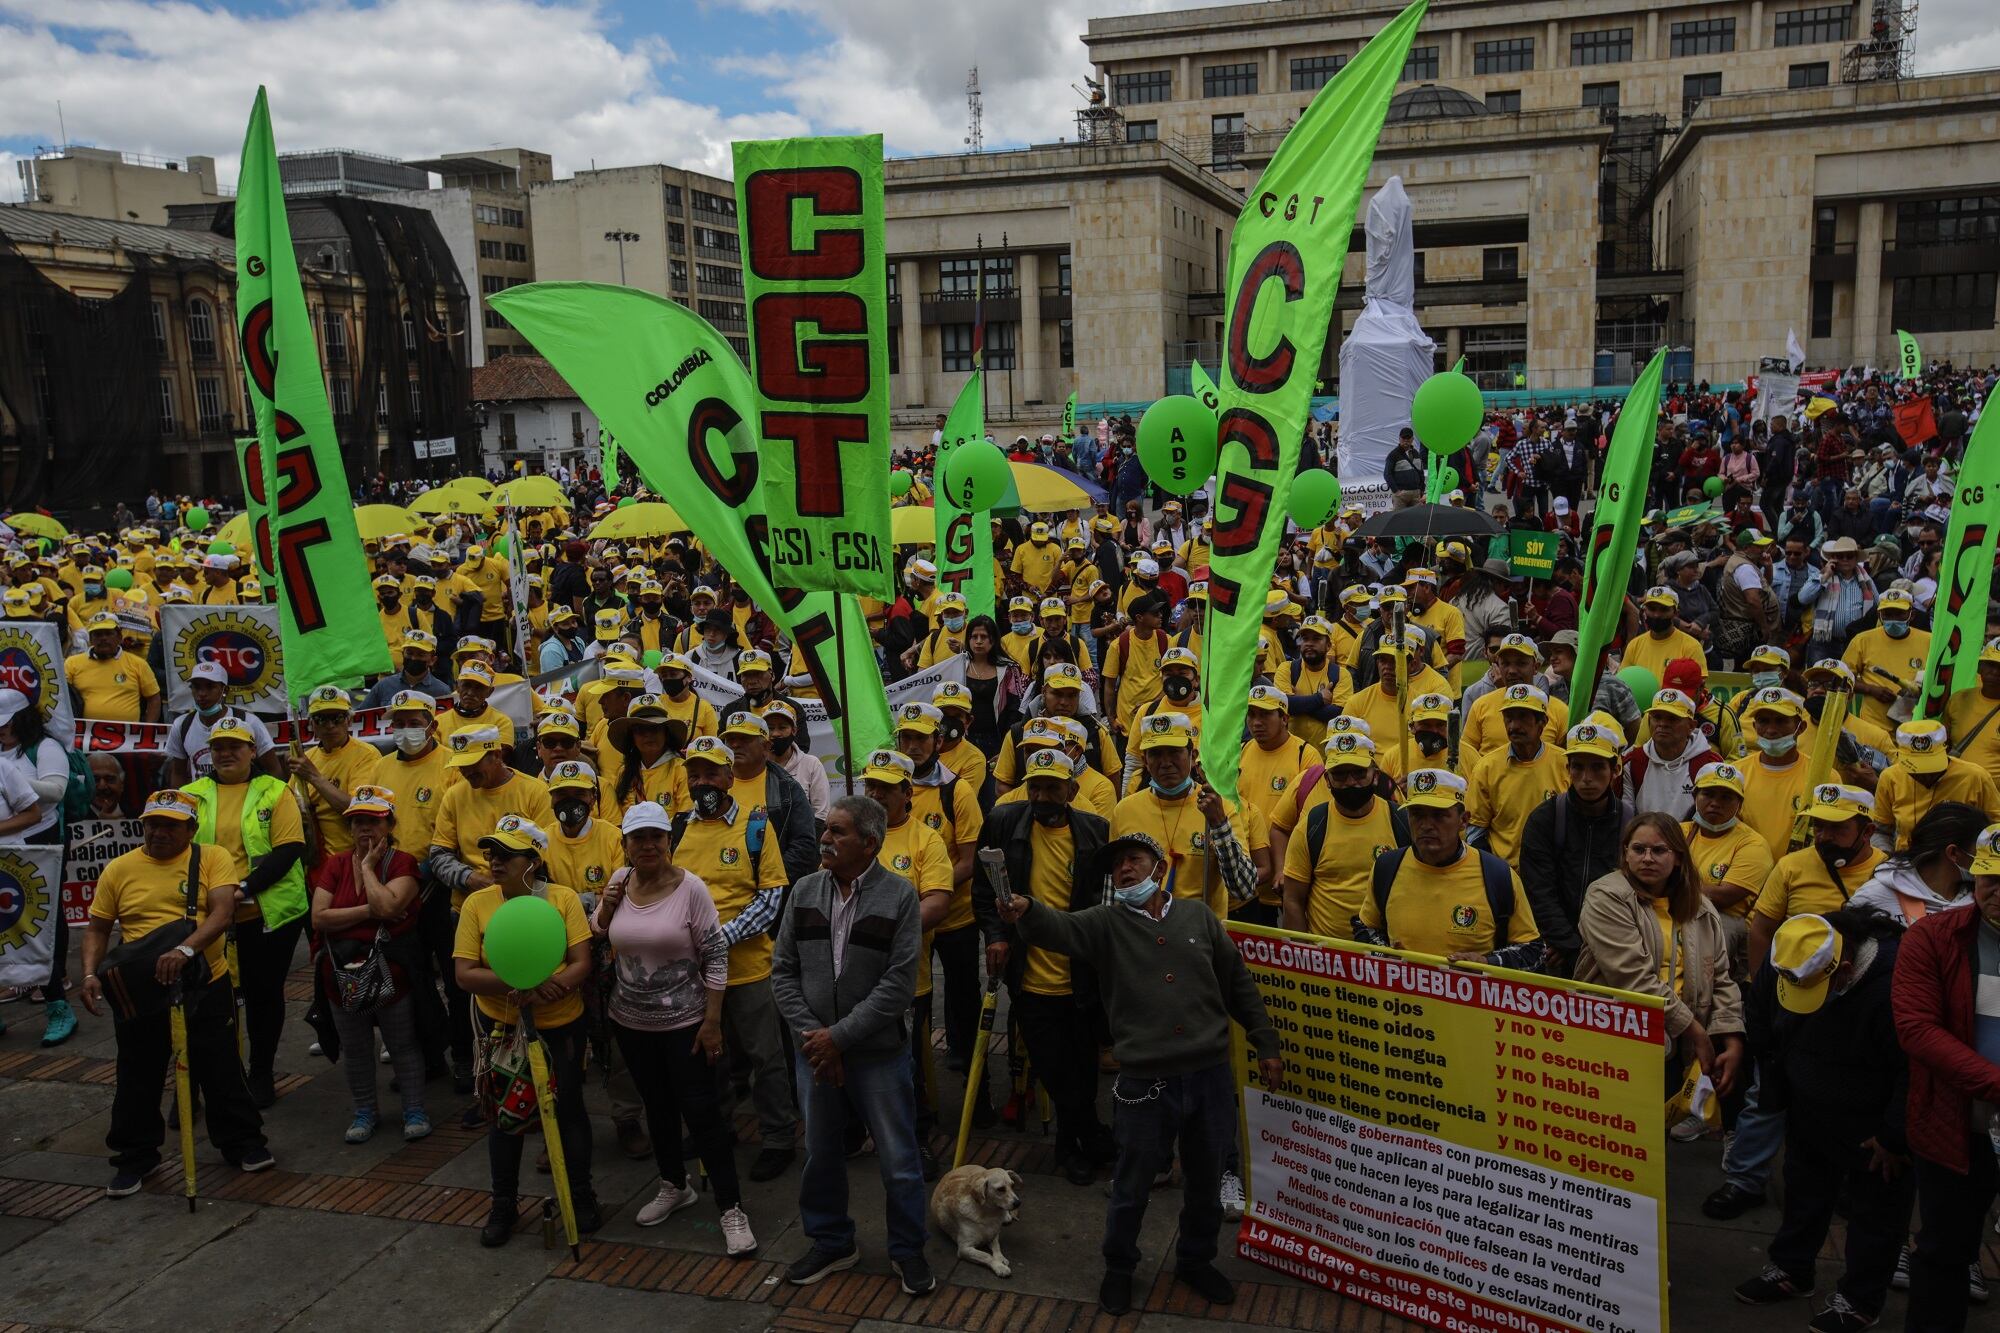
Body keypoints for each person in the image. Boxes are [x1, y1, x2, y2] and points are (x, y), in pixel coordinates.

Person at [994, 829, 1282, 1316]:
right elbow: (1056, 929)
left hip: (1209, 1075)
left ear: (1160, 868)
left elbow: (1237, 984)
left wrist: (1265, 1043)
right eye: (1117, 866)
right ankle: (1120, 1267)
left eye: (1134, 860)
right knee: (1132, 1184)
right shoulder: (1105, 924)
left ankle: (1195, 1259)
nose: (1124, 870)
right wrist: (1026, 910)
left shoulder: (1198, 916)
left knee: (1207, 1179)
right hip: (1144, 1082)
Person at [771, 795, 933, 1296]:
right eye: (826, 829)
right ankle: (831, 1240)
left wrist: (837, 1038)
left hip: (878, 1056)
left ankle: (907, 1250)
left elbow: (897, 986)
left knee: (899, 1161)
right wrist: (816, 1040)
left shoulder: (900, 896)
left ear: (870, 843)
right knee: (820, 1154)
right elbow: (783, 972)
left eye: (838, 832)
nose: (826, 839)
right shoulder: (803, 891)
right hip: (813, 1054)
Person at [80, 790, 274, 1194]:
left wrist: (187, 949)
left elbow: (222, 911)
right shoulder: (119, 869)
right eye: (153, 823)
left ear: (190, 829)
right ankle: (135, 1157)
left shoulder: (212, 857)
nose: (159, 832)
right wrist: (89, 974)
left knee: (219, 1066)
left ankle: (242, 1142)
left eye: (170, 825)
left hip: (205, 983)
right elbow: (98, 928)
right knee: (137, 1074)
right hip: (141, 991)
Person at [1733, 910, 1912, 1333]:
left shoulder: (1893, 985)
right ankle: (1791, 1269)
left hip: (1872, 1125)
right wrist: (1774, 1080)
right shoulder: (1791, 952)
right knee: (1803, 1191)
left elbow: (1914, 1069)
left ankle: (1860, 1300)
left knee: (1875, 1215)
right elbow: (1761, 1012)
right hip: (1810, 1105)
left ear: (1845, 969)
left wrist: (1894, 1136)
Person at [592, 801, 757, 1255]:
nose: (647, 846)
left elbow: (717, 954)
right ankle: (673, 1185)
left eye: (656, 837)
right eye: (637, 838)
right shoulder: (620, 882)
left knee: (702, 1113)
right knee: (657, 1107)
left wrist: (712, 1021)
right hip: (630, 1020)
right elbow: (601, 932)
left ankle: (731, 1209)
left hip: (686, 1023)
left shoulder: (692, 890)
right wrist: (605, 910)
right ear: (625, 844)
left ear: (669, 841)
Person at [452, 814, 599, 1245]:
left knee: (569, 1108)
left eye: (507, 855)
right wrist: (517, 982)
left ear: (532, 861)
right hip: (502, 1028)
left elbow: (581, 962)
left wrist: (550, 987)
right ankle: (504, 1202)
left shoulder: (563, 899)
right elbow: (464, 973)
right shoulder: (477, 904)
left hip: (561, 1024)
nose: (495, 862)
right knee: (503, 1116)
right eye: (491, 853)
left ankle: (580, 1194)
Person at [973, 745, 1113, 1186]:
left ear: (1072, 789)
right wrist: (997, 936)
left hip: (1081, 978)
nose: (1042, 797)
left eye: (1053, 788)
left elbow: (1102, 906)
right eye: (1035, 787)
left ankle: (1073, 1147)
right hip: (1030, 980)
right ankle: (1089, 1141)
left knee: (1085, 1070)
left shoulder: (1095, 833)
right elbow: (985, 893)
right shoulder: (1001, 824)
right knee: (1054, 1069)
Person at [1890, 822, 2000, 1331]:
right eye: (1990, 879)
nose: (1998, 893)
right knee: (1943, 1250)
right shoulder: (1933, 938)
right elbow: (1917, 1029)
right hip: (1956, 1127)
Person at [675, 735, 796, 1181]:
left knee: (765, 1057)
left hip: (747, 969)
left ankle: (779, 1137)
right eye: (695, 775)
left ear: (729, 776)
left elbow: (770, 898)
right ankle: (718, 1129)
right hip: (694, 975)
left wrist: (719, 940)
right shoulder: (677, 829)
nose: (702, 782)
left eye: (711, 773)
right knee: (710, 1057)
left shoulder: (756, 826)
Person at [181, 717, 309, 1109]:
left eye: (235, 746)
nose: (225, 753)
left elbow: (289, 849)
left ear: (252, 751)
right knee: (203, 1002)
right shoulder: (190, 794)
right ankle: (198, 1081)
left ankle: (261, 1071)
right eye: (218, 746)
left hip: (265, 914)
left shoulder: (275, 790)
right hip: (208, 918)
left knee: (262, 996)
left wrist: (244, 889)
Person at [1574, 813, 1745, 1100]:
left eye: (1659, 850)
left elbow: (1721, 978)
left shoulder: (1701, 908)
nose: (1648, 858)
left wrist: (1731, 1035)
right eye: (1638, 849)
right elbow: (1633, 978)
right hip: (1617, 1041)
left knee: (1658, 1137)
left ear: (1678, 857)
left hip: (1678, 1048)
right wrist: (1697, 1032)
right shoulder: (1607, 896)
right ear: (1625, 854)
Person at [309, 786, 429, 1143]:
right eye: (357, 822)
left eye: (373, 822)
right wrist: (369, 911)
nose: (365, 829)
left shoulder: (402, 862)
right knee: (356, 1048)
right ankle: (364, 1112)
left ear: (389, 825)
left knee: (402, 1043)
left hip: (391, 972)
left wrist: (367, 868)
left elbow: (392, 908)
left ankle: (414, 1109)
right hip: (341, 975)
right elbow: (319, 918)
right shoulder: (334, 865)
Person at [1356, 768, 1544, 969]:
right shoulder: (1387, 868)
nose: (1426, 825)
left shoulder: (1497, 875)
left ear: (1463, 820)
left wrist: (1486, 962)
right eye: (1417, 814)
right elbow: (1365, 928)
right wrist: (1384, 955)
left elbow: (1531, 950)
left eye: (1439, 815)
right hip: (1401, 999)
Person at [1519, 721, 1632, 978]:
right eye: (1578, 767)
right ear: (1567, 768)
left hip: (1612, 950)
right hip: (1555, 949)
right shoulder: (1544, 819)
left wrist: (1596, 950)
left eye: (1597, 767)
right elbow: (1538, 890)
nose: (1587, 778)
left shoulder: (1630, 824)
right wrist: (1570, 945)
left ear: (1615, 769)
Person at [0, 687, 77, 1044]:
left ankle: (56, 1000)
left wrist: (11, 781)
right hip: (7, 850)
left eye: (6, 724)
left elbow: (53, 793)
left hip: (41, 843)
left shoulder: (44, 748)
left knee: (40, 922)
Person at [1282, 732, 1405, 940]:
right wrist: (1302, 958)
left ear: (1375, 776)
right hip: (1327, 961)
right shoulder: (1311, 827)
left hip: (1388, 960)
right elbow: (1293, 899)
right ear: (1327, 780)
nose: (1350, 782)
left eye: (1358, 773)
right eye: (1340, 774)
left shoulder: (1401, 821)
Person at [1466, 683, 1570, 862]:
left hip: (1554, 874)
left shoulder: (1565, 763)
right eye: (1508, 718)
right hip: (1506, 874)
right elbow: (1475, 833)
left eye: (1523, 717)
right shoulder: (1486, 768)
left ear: (1542, 723)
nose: (1514, 726)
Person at [1873, 720, 2000, 852]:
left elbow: (1997, 826)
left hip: (1961, 861)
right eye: (1916, 771)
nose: (1925, 776)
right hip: (1906, 861)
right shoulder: (1889, 777)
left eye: (1931, 767)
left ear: (1947, 748)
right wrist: (1888, 859)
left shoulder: (1976, 777)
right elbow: (1881, 831)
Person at [292, 686, 380, 861]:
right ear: (311, 724)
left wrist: (314, 777)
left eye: (337, 718)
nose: (330, 725)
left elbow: (358, 810)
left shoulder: (367, 755)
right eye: (321, 719)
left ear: (349, 721)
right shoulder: (306, 758)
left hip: (355, 857)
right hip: (315, 857)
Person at [164, 661, 282, 785]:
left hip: (243, 799)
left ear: (225, 690)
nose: (202, 694)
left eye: (210, 687)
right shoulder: (182, 725)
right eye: (197, 687)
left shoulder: (249, 722)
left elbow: (273, 768)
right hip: (201, 800)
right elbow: (178, 773)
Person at [66, 611, 162, 722]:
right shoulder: (72, 663)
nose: (103, 638)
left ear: (119, 636)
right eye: (98, 634)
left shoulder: (138, 664)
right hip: (84, 736)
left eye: (108, 633)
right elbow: (60, 697)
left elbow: (154, 698)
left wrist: (147, 730)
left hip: (127, 737)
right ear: (90, 639)